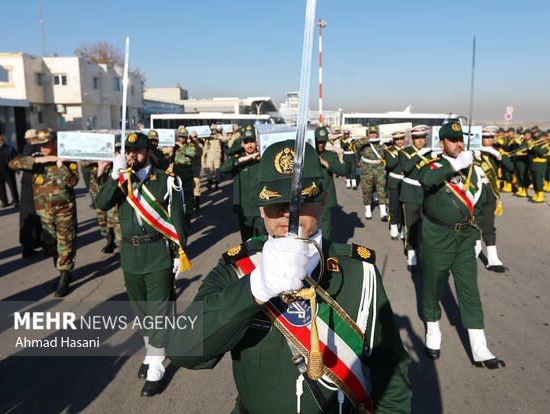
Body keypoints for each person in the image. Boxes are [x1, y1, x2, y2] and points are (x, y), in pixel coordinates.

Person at [167, 139, 412, 414]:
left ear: (323, 201)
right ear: (260, 207)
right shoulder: (236, 269)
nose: (288, 211)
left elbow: (390, 368)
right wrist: (255, 287)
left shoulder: (360, 271)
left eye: (302, 200)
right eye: (275, 201)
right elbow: (182, 349)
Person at [96, 132, 190, 397]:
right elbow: (101, 204)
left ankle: (157, 365)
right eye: (127, 151)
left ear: (148, 151)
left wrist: (178, 253)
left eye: (136, 151)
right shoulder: (121, 179)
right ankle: (152, 352)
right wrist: (113, 177)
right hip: (130, 253)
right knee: (141, 310)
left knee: (159, 310)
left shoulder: (167, 181)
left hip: (158, 251)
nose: (131, 155)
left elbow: (179, 221)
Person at [418, 121, 505, 369]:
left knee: (470, 291)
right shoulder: (435, 166)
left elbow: (482, 202)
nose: (458, 144)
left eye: (460, 140)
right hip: (437, 237)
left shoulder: (474, 170)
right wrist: (456, 164)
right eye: (452, 140)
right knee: (433, 287)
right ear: (442, 143)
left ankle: (480, 348)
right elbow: (426, 179)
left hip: (465, 239)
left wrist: (476, 233)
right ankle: (433, 332)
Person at [8, 129, 79, 297]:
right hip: (44, 212)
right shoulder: (36, 160)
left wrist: (60, 165)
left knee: (65, 243)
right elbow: (13, 164)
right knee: (51, 244)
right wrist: (41, 159)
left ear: (55, 143)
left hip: (64, 211)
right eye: (40, 145)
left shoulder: (67, 161)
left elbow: (73, 181)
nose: (43, 147)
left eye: (46, 144)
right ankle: (64, 271)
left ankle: (64, 276)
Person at [477, 126, 514, 272]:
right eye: (487, 137)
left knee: (489, 225)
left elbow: (510, 167)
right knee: (472, 224)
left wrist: (498, 155)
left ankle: (493, 258)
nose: (490, 140)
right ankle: (471, 252)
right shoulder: (472, 152)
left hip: (489, 193)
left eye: (492, 137)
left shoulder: (496, 153)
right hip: (474, 193)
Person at [220, 126, 265, 242]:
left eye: (252, 142)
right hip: (245, 210)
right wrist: (244, 159)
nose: (249, 145)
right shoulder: (238, 160)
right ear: (242, 144)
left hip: (261, 208)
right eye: (246, 142)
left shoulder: (263, 159)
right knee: (247, 242)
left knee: (262, 240)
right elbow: (222, 169)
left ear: (257, 142)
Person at [399, 125, 431, 271]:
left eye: (422, 137)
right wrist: (419, 154)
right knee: (411, 225)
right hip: (410, 194)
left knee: (426, 228)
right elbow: (406, 168)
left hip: (426, 195)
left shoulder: (431, 153)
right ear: (412, 139)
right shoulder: (405, 152)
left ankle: (424, 254)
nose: (420, 141)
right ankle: (412, 255)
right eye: (417, 138)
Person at [314, 126, 348, 240]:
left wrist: (325, 163)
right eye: (318, 142)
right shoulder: (307, 155)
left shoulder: (330, 155)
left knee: (325, 229)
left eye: (323, 142)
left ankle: (324, 254)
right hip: (309, 199)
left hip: (326, 199)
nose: (320, 145)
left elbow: (343, 171)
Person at [19, 129, 44, 258]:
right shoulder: (34, 148)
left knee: (29, 215)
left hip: (28, 185)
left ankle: (29, 246)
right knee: (40, 214)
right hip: (34, 185)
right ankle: (43, 244)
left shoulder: (27, 148)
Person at [357, 126, 388, 221]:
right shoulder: (363, 143)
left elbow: (386, 153)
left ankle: (383, 211)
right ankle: (368, 209)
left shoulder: (381, 144)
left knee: (381, 189)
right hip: (366, 169)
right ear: (368, 134)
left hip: (379, 168)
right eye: (371, 133)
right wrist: (368, 139)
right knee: (367, 190)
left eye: (375, 133)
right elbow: (356, 144)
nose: (373, 135)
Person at [170, 126, 196, 223]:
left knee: (188, 196)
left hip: (187, 174)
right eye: (180, 137)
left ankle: (187, 218)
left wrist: (180, 146)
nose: (181, 138)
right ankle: (178, 216)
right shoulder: (175, 147)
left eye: (183, 137)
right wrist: (172, 150)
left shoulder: (190, 145)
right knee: (177, 196)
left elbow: (192, 153)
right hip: (177, 174)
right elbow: (169, 158)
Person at [384, 131, 406, 240]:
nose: (400, 141)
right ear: (394, 141)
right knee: (394, 206)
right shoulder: (390, 151)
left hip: (406, 182)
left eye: (401, 138)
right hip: (394, 181)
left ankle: (403, 227)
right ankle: (393, 225)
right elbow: (390, 164)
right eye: (397, 139)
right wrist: (401, 154)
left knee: (404, 207)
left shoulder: (408, 150)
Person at [0, 134, 19, 207]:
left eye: (0, 140)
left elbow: (16, 158)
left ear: (3, 140)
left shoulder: (9, 148)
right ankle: (4, 201)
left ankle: (15, 200)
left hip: (9, 171)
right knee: (0, 188)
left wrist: (17, 168)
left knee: (12, 186)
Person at [527, 130, 550, 203]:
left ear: (544, 137)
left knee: (539, 181)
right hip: (534, 164)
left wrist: (533, 147)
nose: (538, 139)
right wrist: (529, 147)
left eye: (540, 137)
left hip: (541, 165)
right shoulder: (537, 145)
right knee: (534, 181)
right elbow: (531, 153)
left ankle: (540, 196)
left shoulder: (546, 145)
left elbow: (541, 152)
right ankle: (536, 194)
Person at [512, 129, 532, 197]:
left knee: (523, 176)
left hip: (524, 161)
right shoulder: (522, 141)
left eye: (524, 134)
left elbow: (527, 150)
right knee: (518, 175)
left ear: (529, 135)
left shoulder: (530, 142)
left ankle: (525, 190)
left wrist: (520, 144)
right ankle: (520, 189)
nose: (523, 135)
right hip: (518, 160)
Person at [204, 123, 223, 190]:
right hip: (209, 156)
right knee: (209, 170)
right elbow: (205, 147)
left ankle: (217, 184)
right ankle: (209, 183)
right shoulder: (208, 137)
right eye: (211, 129)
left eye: (214, 129)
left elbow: (225, 139)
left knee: (217, 170)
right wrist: (204, 155)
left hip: (217, 156)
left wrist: (218, 136)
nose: (212, 131)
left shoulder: (219, 135)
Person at [188, 130, 204, 211]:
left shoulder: (199, 145)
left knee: (196, 186)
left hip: (195, 168)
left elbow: (197, 154)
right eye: (192, 137)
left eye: (195, 137)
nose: (194, 138)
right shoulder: (187, 145)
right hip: (187, 168)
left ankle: (197, 204)